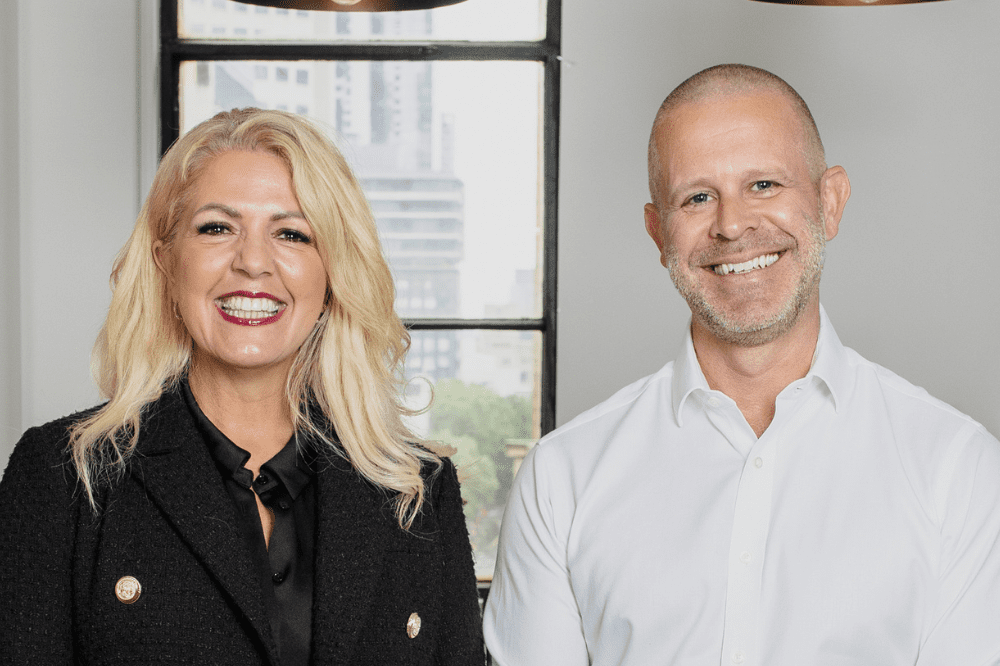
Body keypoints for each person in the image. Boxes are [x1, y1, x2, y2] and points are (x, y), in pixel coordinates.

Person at [483, 64, 1000, 665]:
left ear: (830, 202)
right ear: (658, 233)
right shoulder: (561, 480)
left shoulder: (958, 470)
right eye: (698, 197)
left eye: (764, 185)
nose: (732, 225)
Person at [0, 108, 484, 666]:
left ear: (332, 275)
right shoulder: (64, 475)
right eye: (217, 228)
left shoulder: (418, 490)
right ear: (165, 261)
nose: (253, 262)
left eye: (292, 233)